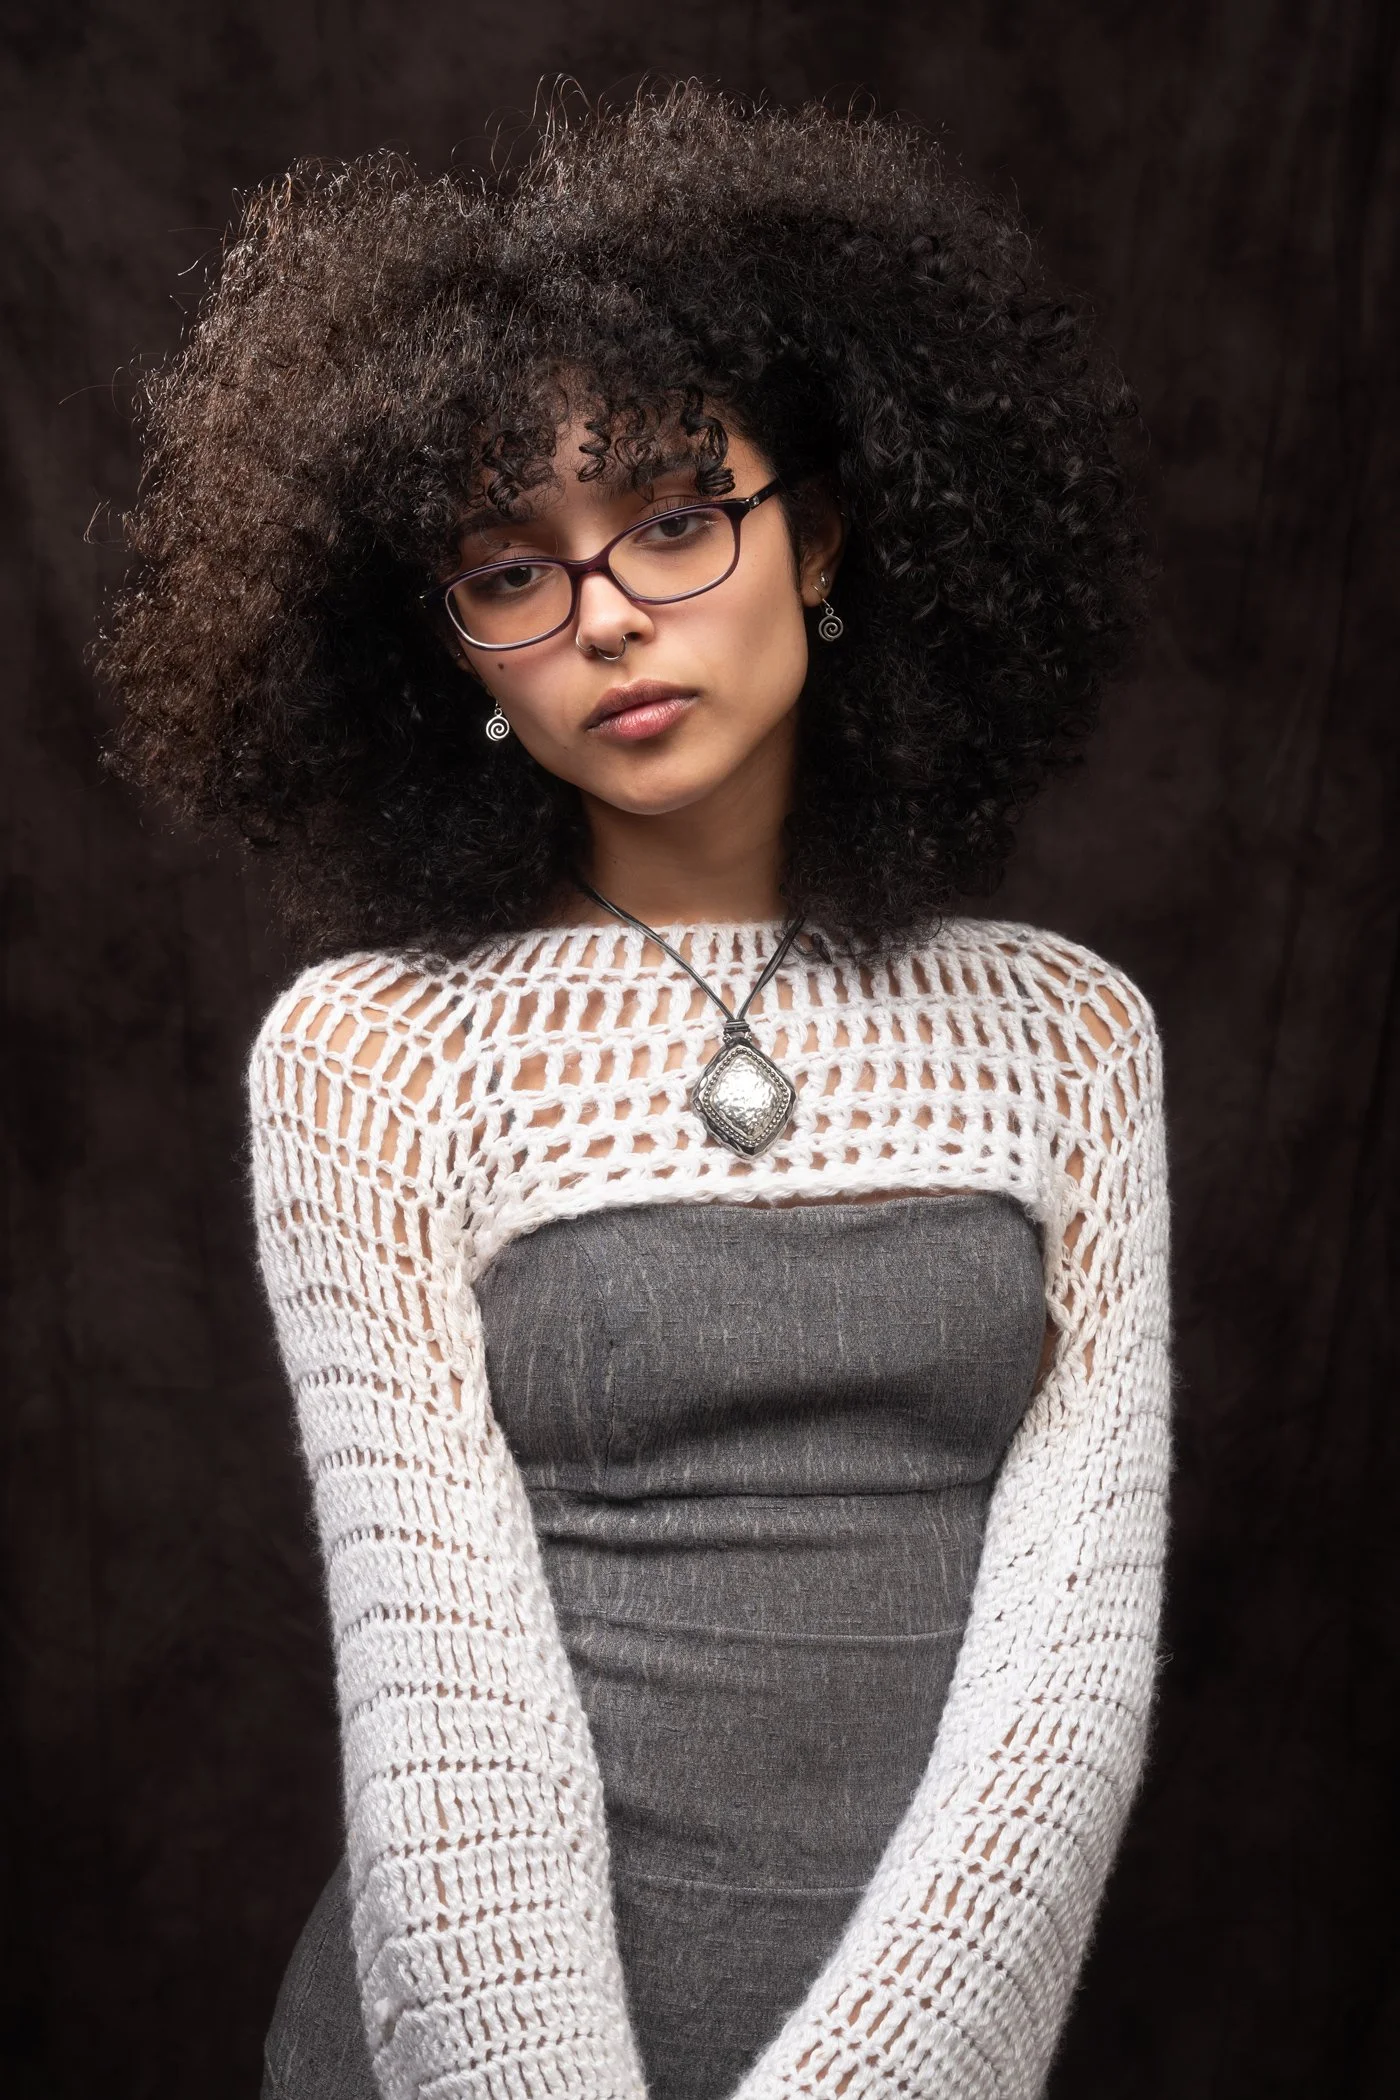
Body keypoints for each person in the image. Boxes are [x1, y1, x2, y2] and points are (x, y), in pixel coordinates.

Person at [102, 83, 1171, 2100]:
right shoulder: (374, 1058)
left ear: (825, 533)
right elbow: (443, 1707)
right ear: (457, 658)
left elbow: (1066, 1685)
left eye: (675, 518)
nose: (604, 612)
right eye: (511, 570)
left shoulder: (1067, 1036)